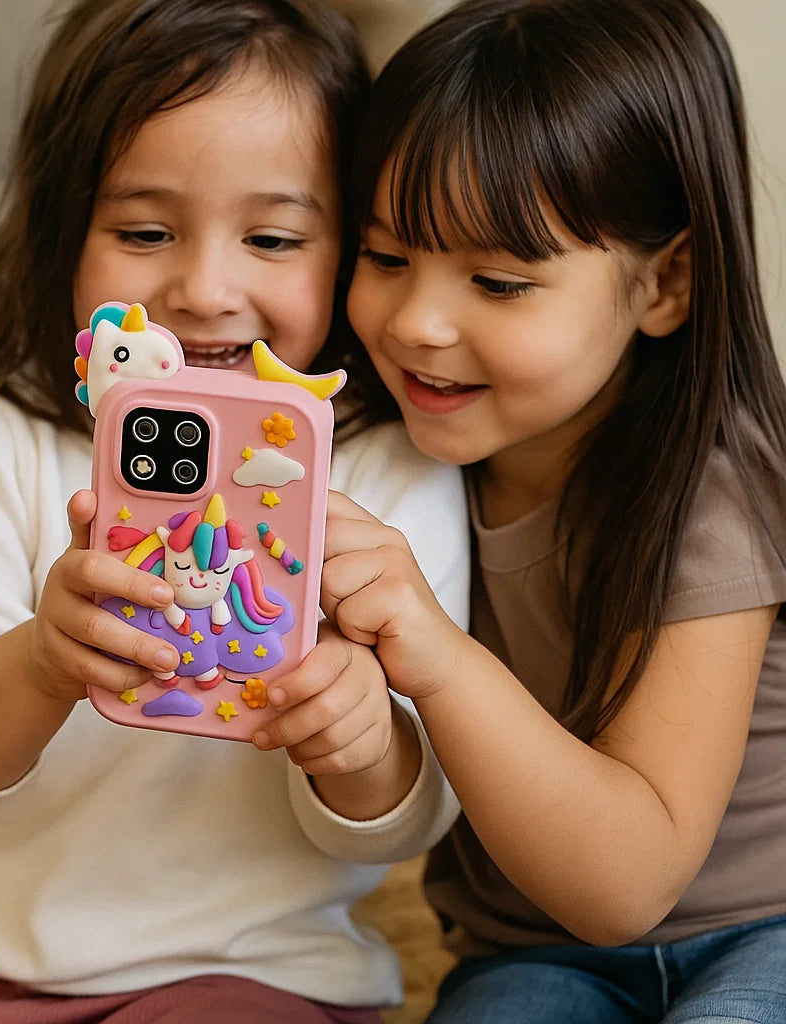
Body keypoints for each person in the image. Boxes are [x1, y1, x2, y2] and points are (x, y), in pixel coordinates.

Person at [0, 1, 469, 1021]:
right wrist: (38, 664)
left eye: (272, 237)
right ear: (64, 234)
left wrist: (365, 741)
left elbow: (405, 819)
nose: (204, 288)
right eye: (145, 232)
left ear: (352, 248)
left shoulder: (394, 474)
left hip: (246, 970)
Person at [315, 0, 786, 1020]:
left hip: (765, 927)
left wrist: (437, 656)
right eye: (386, 257)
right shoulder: (377, 459)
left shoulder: (712, 491)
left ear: (666, 283)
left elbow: (627, 883)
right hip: (531, 951)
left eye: (497, 281)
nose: (417, 323)